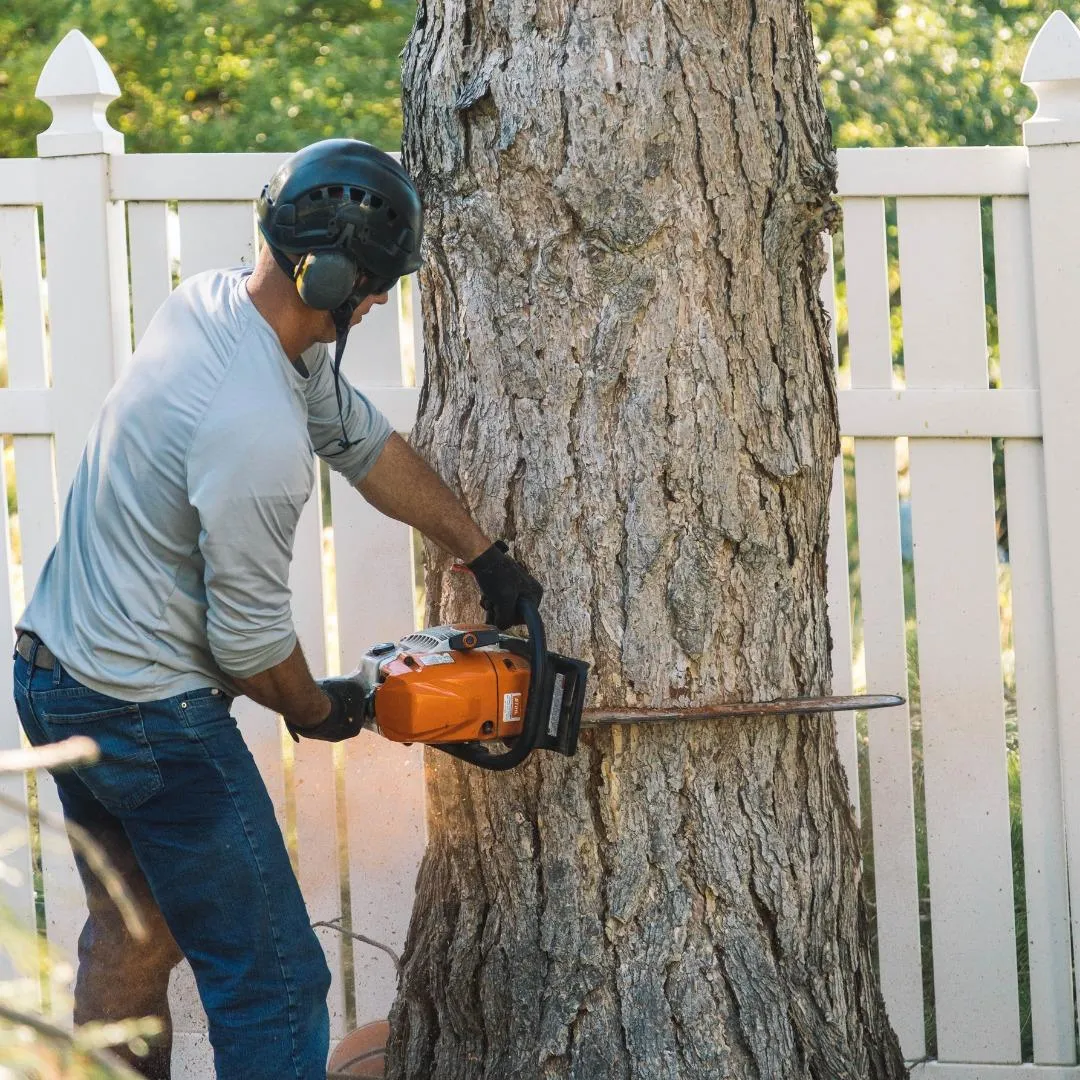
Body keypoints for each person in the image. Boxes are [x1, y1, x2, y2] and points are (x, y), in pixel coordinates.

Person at [11, 139, 542, 1080]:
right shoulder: (252, 426)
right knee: (274, 983)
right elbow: (251, 646)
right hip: (148, 717)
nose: (376, 302)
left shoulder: (216, 309)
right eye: (372, 283)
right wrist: (321, 709)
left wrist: (482, 551)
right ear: (327, 271)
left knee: (129, 940)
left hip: (57, 675)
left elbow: (365, 443)